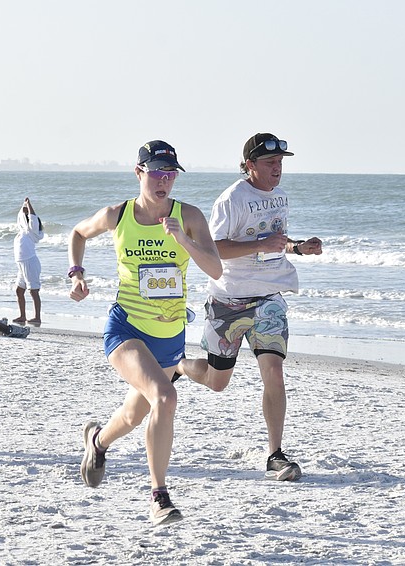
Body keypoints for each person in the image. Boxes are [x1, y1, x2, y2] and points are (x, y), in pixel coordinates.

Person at [69, 140, 223, 526]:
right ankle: (159, 497)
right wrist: (77, 274)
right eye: (156, 173)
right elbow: (78, 233)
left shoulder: (189, 216)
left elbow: (215, 269)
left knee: (133, 415)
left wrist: (183, 239)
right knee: (165, 397)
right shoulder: (117, 215)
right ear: (139, 172)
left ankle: (97, 442)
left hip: (169, 337)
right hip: (126, 329)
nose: (163, 181)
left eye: (170, 174)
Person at [178, 133, 323, 482]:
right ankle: (179, 365)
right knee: (217, 382)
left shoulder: (280, 196)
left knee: (274, 371)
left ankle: (275, 454)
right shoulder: (232, 199)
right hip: (228, 300)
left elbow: (274, 240)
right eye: (270, 162)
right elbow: (213, 248)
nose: (277, 168)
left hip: (269, 298)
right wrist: (261, 244)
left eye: (281, 162)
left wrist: (297, 247)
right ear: (249, 165)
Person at [13, 198, 43, 325]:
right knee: (19, 290)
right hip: (21, 264)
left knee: (33, 291)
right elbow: (21, 214)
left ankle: (37, 317)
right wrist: (23, 205)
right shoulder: (22, 231)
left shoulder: (32, 231)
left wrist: (29, 205)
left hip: (30, 262)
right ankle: (22, 316)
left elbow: (33, 218)